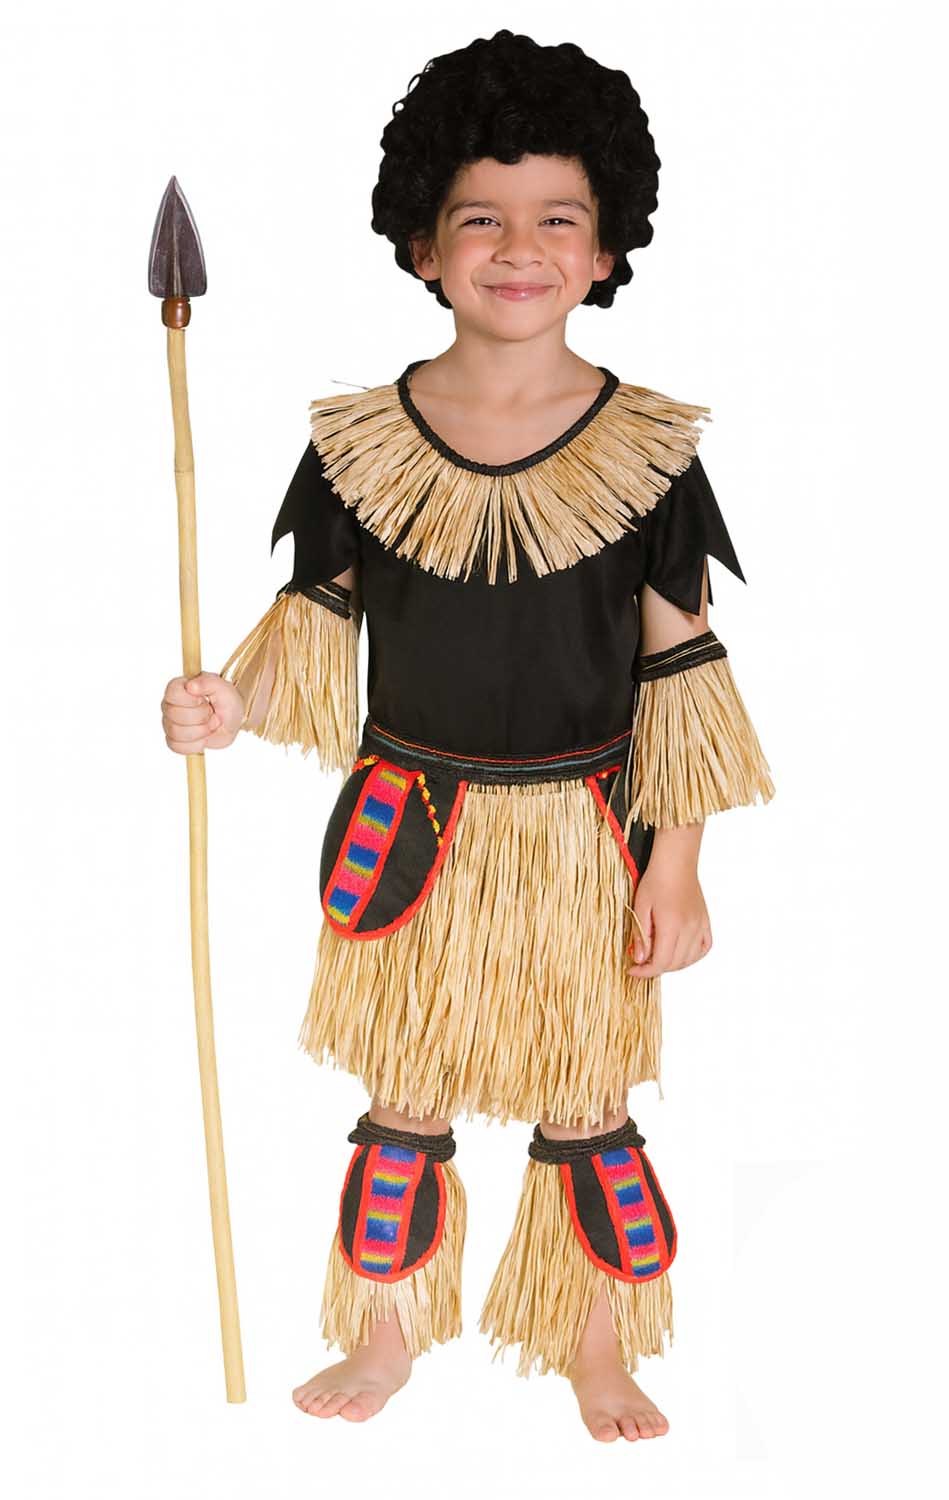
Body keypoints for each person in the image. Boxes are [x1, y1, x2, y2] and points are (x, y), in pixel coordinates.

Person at [159, 28, 774, 1443]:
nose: (518, 249)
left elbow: (683, 679)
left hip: (582, 839)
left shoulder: (651, 452)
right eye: (480, 219)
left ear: (606, 250)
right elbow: (311, 628)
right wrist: (229, 705)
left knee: (587, 1102)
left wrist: (678, 865)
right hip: (413, 835)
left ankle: (596, 1346)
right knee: (405, 1097)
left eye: (557, 219)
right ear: (424, 247)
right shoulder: (360, 444)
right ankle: (383, 1337)